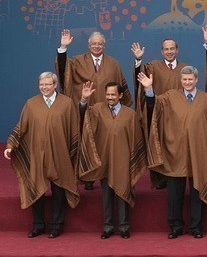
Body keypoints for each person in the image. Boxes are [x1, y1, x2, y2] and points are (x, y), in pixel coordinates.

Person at [139, 66, 207, 239]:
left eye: (190, 79)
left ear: (196, 80)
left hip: (199, 152)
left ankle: (196, 227)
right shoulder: (170, 96)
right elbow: (154, 106)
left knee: (197, 191)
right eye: (184, 79)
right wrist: (148, 89)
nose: (187, 82)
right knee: (174, 194)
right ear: (181, 80)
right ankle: (175, 226)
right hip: (175, 152)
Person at [4, 72, 81, 238]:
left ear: (55, 85)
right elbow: (21, 127)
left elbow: (74, 130)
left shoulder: (67, 104)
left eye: (47, 84)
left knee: (59, 191)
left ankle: (56, 225)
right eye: (41, 85)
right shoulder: (31, 104)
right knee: (36, 189)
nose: (44, 87)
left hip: (60, 154)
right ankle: (38, 225)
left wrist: (72, 153)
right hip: (37, 154)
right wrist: (10, 145)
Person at [78, 81, 146, 239]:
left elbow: (136, 139)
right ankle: (108, 227)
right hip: (104, 160)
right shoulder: (97, 110)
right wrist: (83, 100)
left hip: (123, 161)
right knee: (106, 196)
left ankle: (123, 227)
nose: (109, 97)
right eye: (107, 94)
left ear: (120, 95)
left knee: (123, 194)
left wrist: (132, 161)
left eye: (113, 95)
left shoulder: (130, 114)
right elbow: (83, 117)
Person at [131, 38, 188, 189]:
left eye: (172, 49)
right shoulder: (153, 66)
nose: (169, 52)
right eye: (166, 49)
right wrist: (138, 59)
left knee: (175, 146)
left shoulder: (185, 69)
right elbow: (140, 78)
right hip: (157, 112)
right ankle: (159, 179)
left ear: (177, 50)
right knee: (157, 143)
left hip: (178, 115)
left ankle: (176, 175)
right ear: (162, 51)